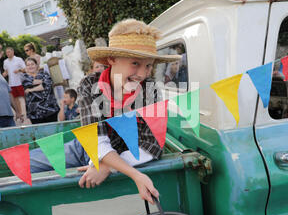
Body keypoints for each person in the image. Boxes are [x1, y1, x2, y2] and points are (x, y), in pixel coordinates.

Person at [29, 18, 181, 204]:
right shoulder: (90, 84)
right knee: (28, 164)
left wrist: (108, 167)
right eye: (135, 63)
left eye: (148, 65)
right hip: (84, 147)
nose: (142, 74)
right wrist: (135, 175)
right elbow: (95, 139)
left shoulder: (150, 90)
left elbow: (152, 145)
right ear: (112, 59)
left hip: (125, 154)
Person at [21, 57, 60, 124]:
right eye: (28, 65)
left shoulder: (44, 73)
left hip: (50, 109)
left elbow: (46, 85)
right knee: (40, 133)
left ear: (36, 65)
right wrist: (42, 82)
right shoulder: (24, 78)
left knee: (54, 131)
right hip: (34, 112)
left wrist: (30, 89)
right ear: (26, 67)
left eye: (32, 64)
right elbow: (28, 83)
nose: (30, 66)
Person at [2, 47, 26, 123]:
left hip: (19, 82)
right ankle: (19, 113)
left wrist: (19, 70)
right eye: (6, 52)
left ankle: (25, 112)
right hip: (11, 83)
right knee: (15, 99)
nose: (7, 54)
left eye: (9, 52)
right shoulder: (5, 61)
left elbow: (25, 69)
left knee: (22, 98)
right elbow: (6, 71)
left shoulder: (19, 59)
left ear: (13, 52)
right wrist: (3, 75)